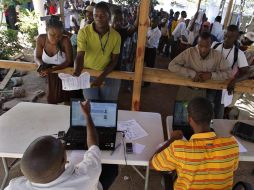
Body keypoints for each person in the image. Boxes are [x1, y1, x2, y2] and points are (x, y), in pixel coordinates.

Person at [5, 101, 103, 190]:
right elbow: (94, 146)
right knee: (111, 170)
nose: (63, 143)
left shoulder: (14, 186)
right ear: (64, 160)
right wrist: (87, 115)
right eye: (63, 146)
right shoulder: (86, 176)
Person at [74, 2, 120, 189]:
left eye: (102, 14)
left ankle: (106, 143)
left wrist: (101, 77)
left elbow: (115, 61)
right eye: (96, 14)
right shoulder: (84, 32)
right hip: (88, 75)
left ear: (109, 16)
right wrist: (77, 70)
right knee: (90, 108)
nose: (98, 17)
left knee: (108, 108)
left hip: (109, 75)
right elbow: (80, 54)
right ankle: (93, 144)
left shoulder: (115, 35)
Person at [150, 97, 239, 190]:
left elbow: (153, 164)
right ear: (212, 117)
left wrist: (172, 139)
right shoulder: (232, 145)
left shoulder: (179, 148)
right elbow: (232, 171)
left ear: (189, 119)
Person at [35, 15, 77, 104]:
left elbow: (69, 61)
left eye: (59, 35)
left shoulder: (65, 40)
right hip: (51, 77)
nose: (56, 38)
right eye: (52, 35)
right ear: (46, 31)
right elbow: (37, 56)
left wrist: (52, 69)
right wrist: (41, 65)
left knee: (68, 101)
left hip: (66, 75)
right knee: (51, 100)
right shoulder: (41, 39)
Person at [211, 25, 249, 118]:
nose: (227, 39)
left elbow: (246, 72)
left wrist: (234, 81)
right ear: (224, 34)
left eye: (231, 37)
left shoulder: (238, 53)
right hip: (211, 82)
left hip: (224, 86)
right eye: (226, 36)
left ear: (236, 38)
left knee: (218, 112)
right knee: (207, 108)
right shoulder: (215, 46)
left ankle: (216, 129)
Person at [143, 16, 161, 86]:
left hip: (151, 50)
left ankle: (147, 83)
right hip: (146, 49)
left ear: (157, 23)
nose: (152, 22)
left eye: (154, 21)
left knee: (149, 67)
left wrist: (146, 38)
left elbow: (150, 43)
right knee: (139, 64)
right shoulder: (149, 28)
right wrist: (147, 38)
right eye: (151, 21)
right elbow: (146, 39)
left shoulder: (158, 32)